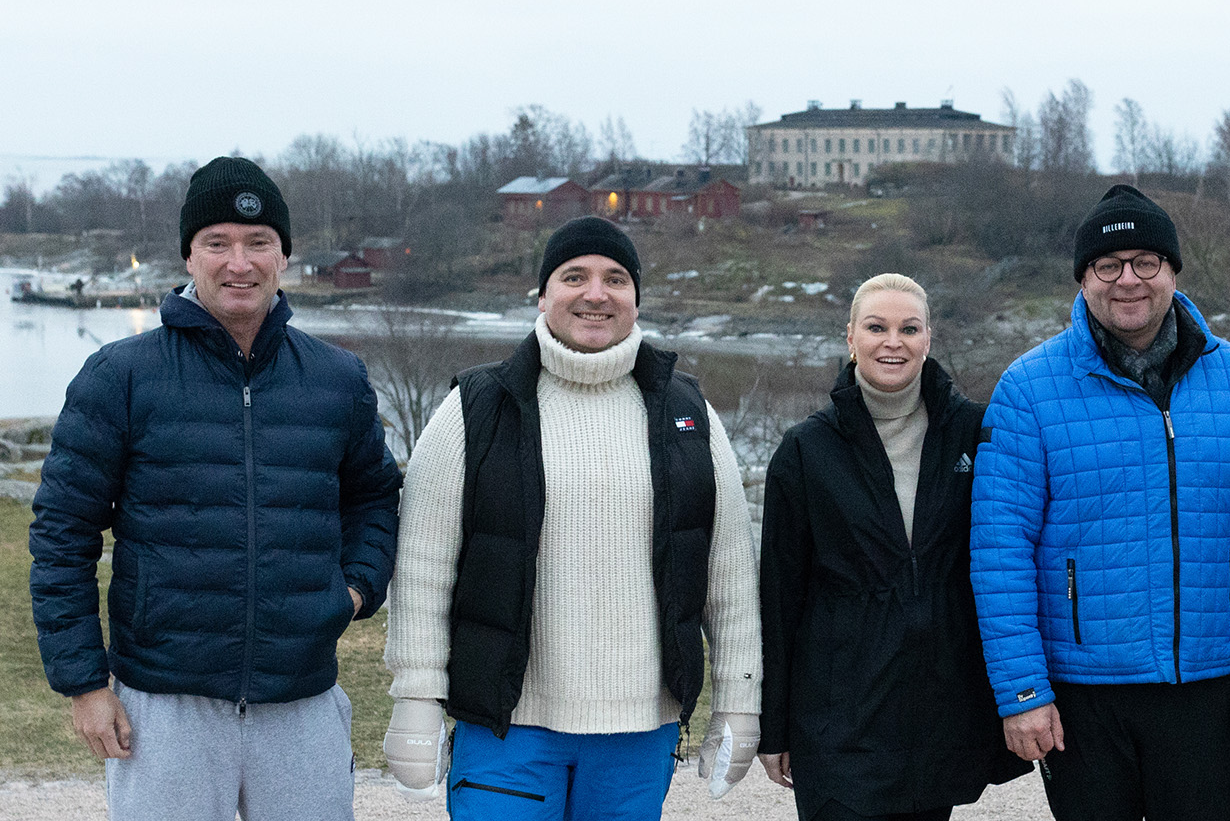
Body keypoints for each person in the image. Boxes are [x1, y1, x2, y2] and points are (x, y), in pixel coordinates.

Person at [30, 156, 403, 820]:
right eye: (218, 243)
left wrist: (353, 590)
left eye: (259, 243)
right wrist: (84, 682)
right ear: (189, 256)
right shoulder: (120, 375)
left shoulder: (337, 378)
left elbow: (374, 496)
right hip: (165, 705)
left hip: (302, 698)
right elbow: (63, 531)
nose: (240, 262)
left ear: (283, 255)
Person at [382, 215, 761, 818]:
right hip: (507, 729)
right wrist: (417, 696)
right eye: (574, 276)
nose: (595, 293)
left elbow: (731, 576)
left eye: (616, 279)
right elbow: (423, 568)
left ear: (636, 297)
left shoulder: (687, 414)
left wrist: (740, 700)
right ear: (543, 293)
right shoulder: (474, 409)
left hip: (640, 733)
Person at [970, 184, 1230, 821]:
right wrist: (1021, 692)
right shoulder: (1028, 389)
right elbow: (999, 551)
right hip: (1081, 698)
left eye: (1146, 262)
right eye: (1108, 265)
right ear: (1084, 279)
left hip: (1206, 690)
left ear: (1173, 270)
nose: (1129, 280)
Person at [758, 273, 1030, 821]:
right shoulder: (806, 450)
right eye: (876, 327)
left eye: (909, 328)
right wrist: (775, 725)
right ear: (850, 337)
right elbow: (780, 596)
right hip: (838, 715)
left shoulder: (978, 432)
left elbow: (1010, 561)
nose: (893, 342)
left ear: (929, 338)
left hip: (938, 710)